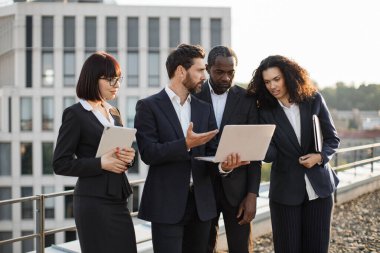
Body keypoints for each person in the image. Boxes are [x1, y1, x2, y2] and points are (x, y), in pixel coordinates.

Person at [134, 44, 247, 253]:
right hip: (167, 205)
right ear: (180, 71)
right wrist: (185, 144)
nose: (204, 76)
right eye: (199, 70)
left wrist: (225, 165)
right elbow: (148, 153)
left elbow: (213, 150)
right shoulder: (148, 106)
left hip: (202, 206)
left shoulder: (203, 109)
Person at [247, 55, 340, 253]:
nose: (272, 86)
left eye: (276, 79)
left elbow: (332, 139)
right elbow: (270, 155)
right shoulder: (264, 111)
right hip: (285, 193)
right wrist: (257, 146)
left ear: (288, 76)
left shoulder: (313, 99)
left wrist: (320, 157)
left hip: (319, 190)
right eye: (267, 82)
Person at [53, 52, 137, 253]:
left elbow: (123, 152)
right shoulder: (75, 114)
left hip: (118, 198)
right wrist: (101, 163)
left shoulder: (114, 113)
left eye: (118, 79)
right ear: (93, 79)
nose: (116, 84)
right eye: (110, 79)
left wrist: (129, 158)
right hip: (93, 201)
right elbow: (60, 163)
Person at [195, 46, 261, 253]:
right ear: (207, 69)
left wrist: (252, 194)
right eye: (219, 72)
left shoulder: (248, 99)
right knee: (204, 247)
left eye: (231, 72)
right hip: (203, 188)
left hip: (239, 192)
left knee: (241, 249)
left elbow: (255, 151)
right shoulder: (192, 95)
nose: (226, 77)